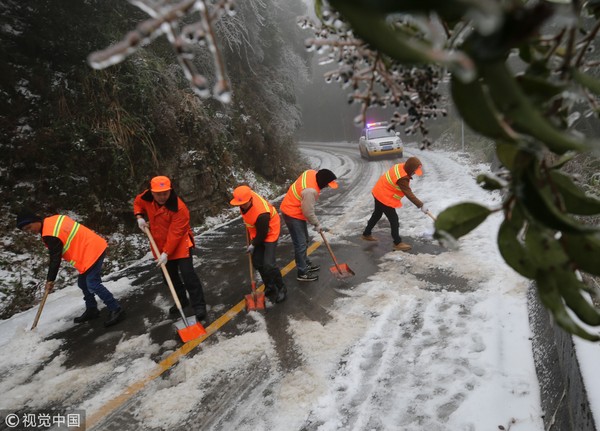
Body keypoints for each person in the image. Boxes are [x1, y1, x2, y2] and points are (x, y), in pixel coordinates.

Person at [16, 212, 125, 327]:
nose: (29, 231)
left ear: (35, 220)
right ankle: (92, 309)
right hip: (91, 248)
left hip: (91, 252)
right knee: (83, 283)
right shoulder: (53, 220)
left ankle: (116, 309)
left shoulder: (50, 234)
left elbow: (55, 258)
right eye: (26, 230)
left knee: (93, 283)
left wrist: (50, 280)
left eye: (29, 227)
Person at [134, 175, 208, 322]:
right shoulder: (146, 197)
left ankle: (199, 305)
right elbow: (137, 203)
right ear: (152, 192)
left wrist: (166, 253)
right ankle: (181, 300)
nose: (162, 197)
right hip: (159, 243)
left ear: (170, 191)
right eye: (158, 194)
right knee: (169, 278)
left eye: (165, 193)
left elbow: (176, 234)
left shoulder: (179, 208)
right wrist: (139, 216)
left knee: (188, 275)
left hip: (180, 244)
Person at [230, 185, 287, 303]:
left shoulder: (262, 214)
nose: (241, 206)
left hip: (269, 230)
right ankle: (270, 286)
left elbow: (262, 234)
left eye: (244, 204)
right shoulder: (244, 196)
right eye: (239, 204)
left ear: (250, 199)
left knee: (269, 264)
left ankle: (281, 288)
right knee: (257, 261)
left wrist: (253, 244)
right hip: (257, 230)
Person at [280, 168, 338, 281]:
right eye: (327, 185)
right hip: (292, 213)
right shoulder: (310, 191)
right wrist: (317, 224)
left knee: (304, 240)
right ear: (322, 181)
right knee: (301, 244)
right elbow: (308, 212)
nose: (326, 187)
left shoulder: (311, 173)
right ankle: (302, 272)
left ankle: (305, 263)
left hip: (295, 209)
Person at [362, 156, 428, 251]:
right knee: (394, 219)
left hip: (378, 190)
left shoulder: (400, 166)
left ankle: (366, 234)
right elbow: (408, 193)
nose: (414, 174)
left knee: (377, 214)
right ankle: (397, 243)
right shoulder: (403, 178)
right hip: (384, 196)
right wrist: (421, 205)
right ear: (410, 169)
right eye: (414, 171)